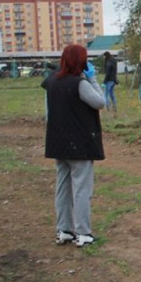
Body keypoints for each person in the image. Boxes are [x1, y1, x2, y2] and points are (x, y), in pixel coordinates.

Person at [41, 44, 105, 247]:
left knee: (63, 187)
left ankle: (64, 230)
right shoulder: (80, 83)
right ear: (81, 62)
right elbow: (99, 102)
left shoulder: (51, 82)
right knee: (81, 189)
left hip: (58, 142)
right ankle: (84, 233)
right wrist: (92, 78)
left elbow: (48, 113)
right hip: (80, 143)